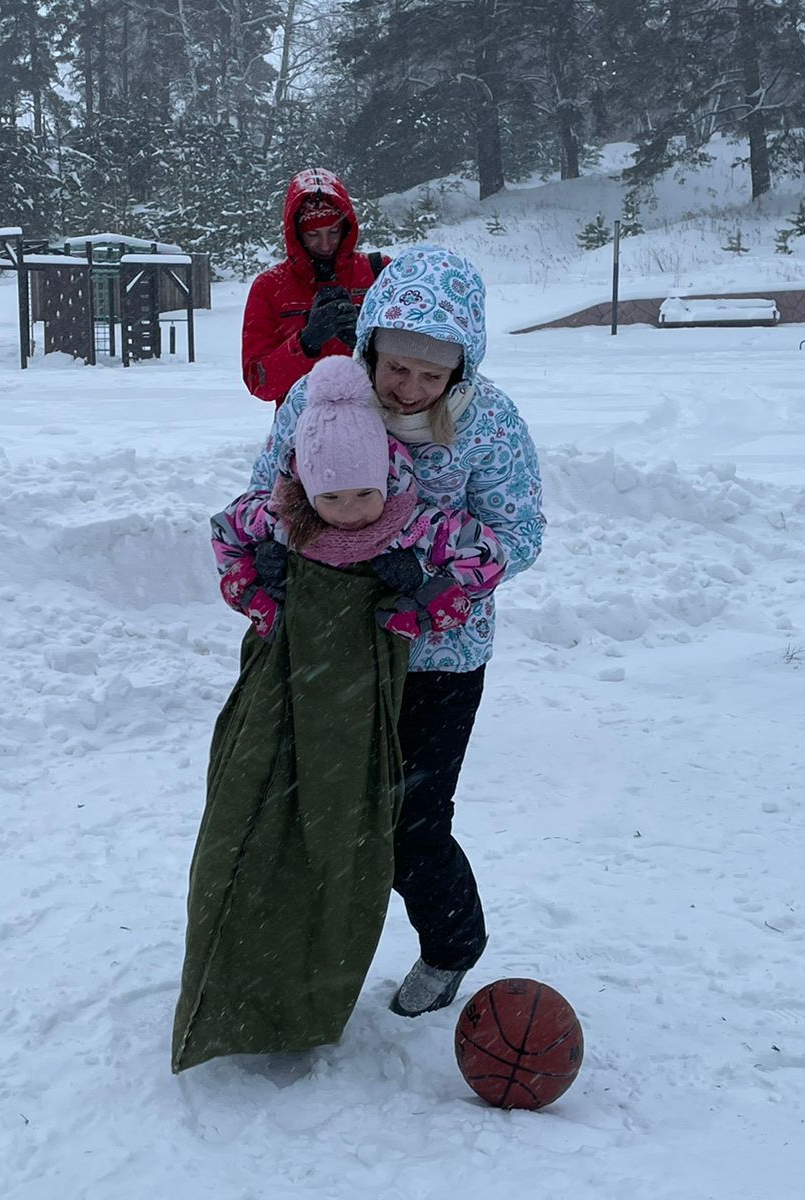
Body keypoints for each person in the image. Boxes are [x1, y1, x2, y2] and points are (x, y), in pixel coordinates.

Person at [172, 356, 506, 1072]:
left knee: (383, 830)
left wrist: (427, 604)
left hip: (396, 685)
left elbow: (490, 555)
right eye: (334, 498)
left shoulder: (413, 518)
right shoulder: (282, 510)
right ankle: (251, 981)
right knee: (260, 815)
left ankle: (432, 949)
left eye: (365, 495)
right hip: (296, 683)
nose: (353, 512)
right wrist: (258, 594)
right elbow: (226, 534)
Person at [246, 245, 545, 1020]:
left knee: (410, 823)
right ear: (371, 344)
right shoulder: (318, 402)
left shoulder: (492, 424)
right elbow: (266, 494)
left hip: (441, 658)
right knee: (324, 811)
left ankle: (452, 944)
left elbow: (521, 530)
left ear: (459, 371)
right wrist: (270, 556)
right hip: (334, 648)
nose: (410, 388)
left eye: (431, 374)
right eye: (397, 367)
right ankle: (304, 956)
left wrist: (440, 570)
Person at [241, 168, 390, 406]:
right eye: (313, 234)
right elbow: (258, 382)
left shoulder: (379, 272)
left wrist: (365, 343)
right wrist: (306, 342)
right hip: (302, 431)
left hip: (375, 425)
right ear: (296, 234)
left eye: (334, 231)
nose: (325, 245)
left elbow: (411, 360)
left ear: (347, 227)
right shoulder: (269, 286)